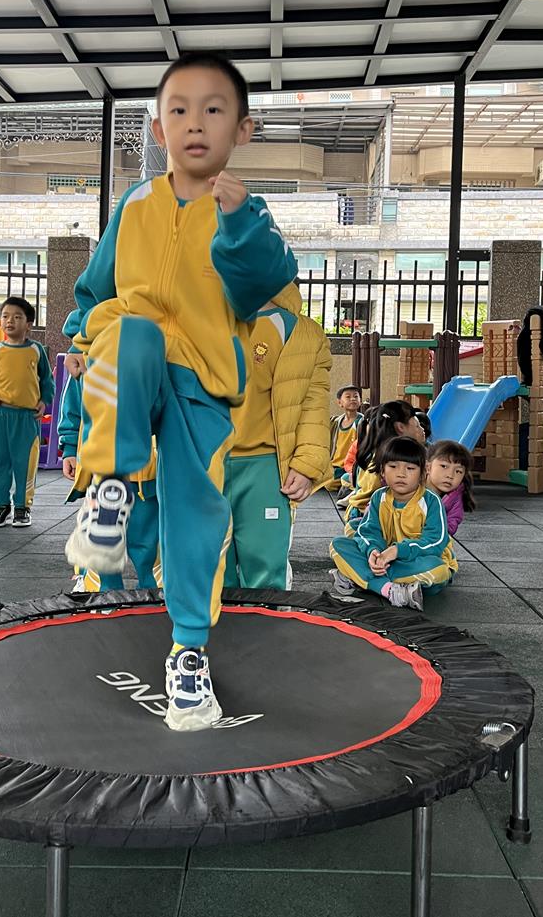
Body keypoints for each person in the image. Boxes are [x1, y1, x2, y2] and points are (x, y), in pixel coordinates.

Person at [62, 51, 298, 732]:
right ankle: (110, 494)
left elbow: (263, 282)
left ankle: (188, 654)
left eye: (214, 110)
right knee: (131, 331)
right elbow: (97, 285)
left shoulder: (246, 213)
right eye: (179, 109)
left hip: (202, 377)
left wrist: (239, 223)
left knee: (196, 509)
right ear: (158, 127)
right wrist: (80, 336)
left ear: (242, 129)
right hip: (131, 353)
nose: (196, 122)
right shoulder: (136, 203)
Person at [224, 282, 331, 590]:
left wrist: (307, 464)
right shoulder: (198, 317)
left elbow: (313, 404)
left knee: (265, 567)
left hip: (266, 464)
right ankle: (215, 622)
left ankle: (265, 621)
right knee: (207, 567)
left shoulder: (301, 332)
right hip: (204, 459)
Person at [57, 372, 158, 590]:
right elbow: (76, 400)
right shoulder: (87, 354)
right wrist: (70, 447)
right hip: (103, 464)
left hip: (147, 469)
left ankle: (154, 593)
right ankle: (100, 592)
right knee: (100, 539)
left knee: (150, 543)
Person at [330, 436, 457, 608]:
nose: (401, 474)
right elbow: (369, 531)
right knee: (338, 544)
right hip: (385, 559)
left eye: (410, 468)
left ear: (423, 473)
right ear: (382, 470)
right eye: (393, 466)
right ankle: (389, 590)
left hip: (415, 562)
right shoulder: (379, 497)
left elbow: (435, 542)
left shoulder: (431, 501)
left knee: (438, 569)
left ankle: (360, 577)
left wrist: (397, 551)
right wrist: (373, 552)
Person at [0, 296, 55, 529]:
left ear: (29, 324)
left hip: (27, 417)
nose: (10, 321)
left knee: (25, 463)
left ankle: (22, 507)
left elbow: (47, 381)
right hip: (1, 416)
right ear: (0, 321)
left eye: (17, 317)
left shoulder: (36, 351)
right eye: (5, 316)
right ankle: (0, 505)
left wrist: (44, 402)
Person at [343, 400, 426, 530]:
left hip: (360, 510)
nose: (422, 430)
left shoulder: (379, 449)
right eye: (417, 425)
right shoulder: (396, 456)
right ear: (400, 427)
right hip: (369, 514)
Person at [425, 439, 475, 537]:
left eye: (458, 471)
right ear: (428, 467)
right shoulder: (412, 487)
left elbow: (451, 524)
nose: (450, 475)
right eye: (444, 466)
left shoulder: (454, 497)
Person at [327, 385, 363, 490]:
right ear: (340, 403)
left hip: (350, 466)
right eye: (348, 397)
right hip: (334, 465)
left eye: (356, 396)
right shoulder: (336, 422)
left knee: (329, 484)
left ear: (360, 401)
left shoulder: (362, 422)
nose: (353, 399)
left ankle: (348, 484)